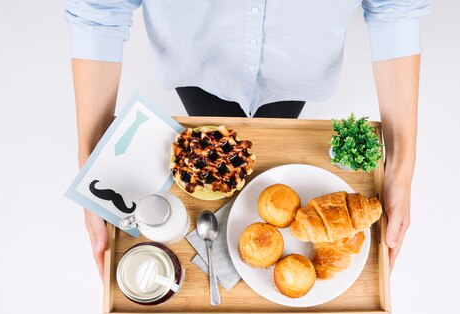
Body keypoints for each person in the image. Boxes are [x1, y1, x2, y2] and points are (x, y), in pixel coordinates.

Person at [65, 0, 432, 281]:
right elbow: (99, 11)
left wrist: (401, 169)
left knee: (276, 129)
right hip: (196, 62)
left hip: (296, 71)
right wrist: (91, 165)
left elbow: (394, 12)